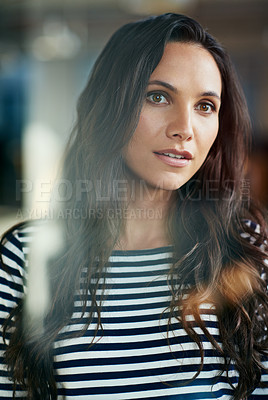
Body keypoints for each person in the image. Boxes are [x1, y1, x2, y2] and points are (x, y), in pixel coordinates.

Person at [0, 12, 267, 400]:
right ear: (111, 107)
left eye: (206, 106)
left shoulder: (245, 249)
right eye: (158, 96)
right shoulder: (26, 257)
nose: (184, 127)